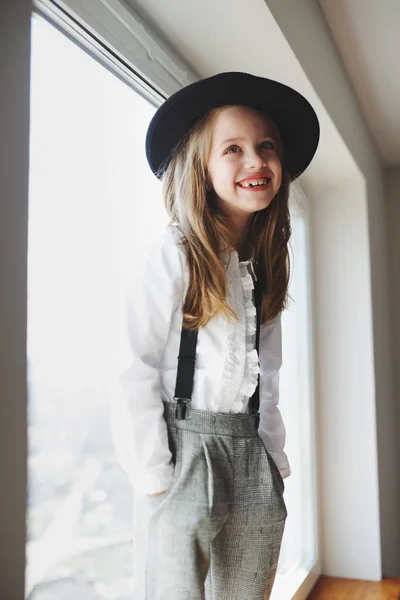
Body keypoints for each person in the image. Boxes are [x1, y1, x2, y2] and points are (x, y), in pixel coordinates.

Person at [113, 71, 320, 600]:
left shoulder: (264, 265)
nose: (255, 159)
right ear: (200, 170)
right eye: (233, 148)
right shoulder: (176, 252)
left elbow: (266, 374)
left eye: (266, 146)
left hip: (250, 449)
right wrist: (155, 474)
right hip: (182, 451)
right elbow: (129, 362)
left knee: (249, 591)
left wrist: (272, 458)